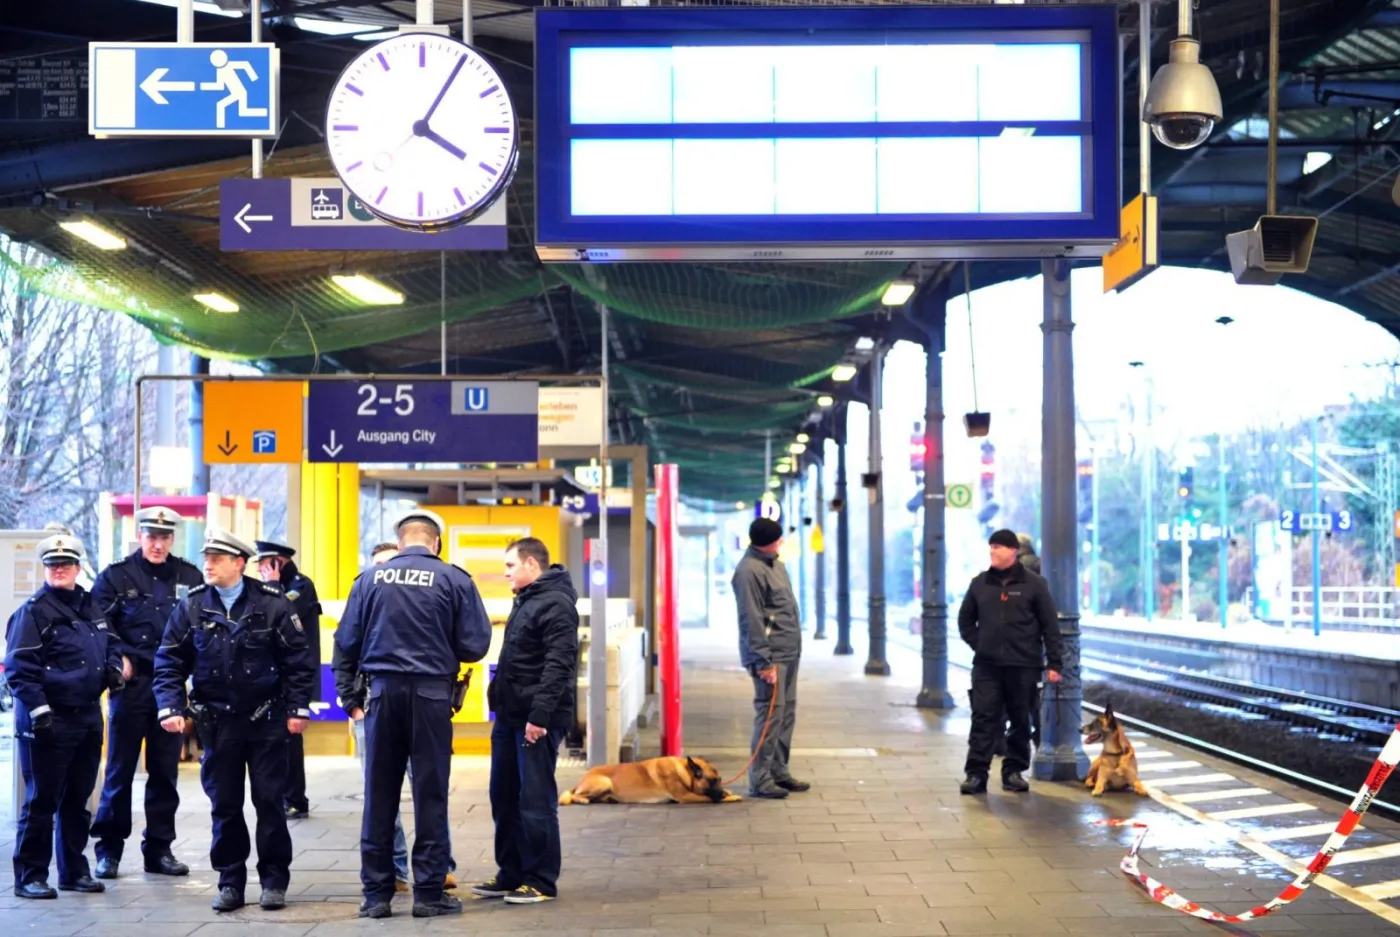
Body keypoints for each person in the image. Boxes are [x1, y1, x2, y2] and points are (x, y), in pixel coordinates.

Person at [334, 509, 491, 920]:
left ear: (400, 543)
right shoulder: (455, 579)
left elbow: (346, 641)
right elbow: (474, 646)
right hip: (431, 696)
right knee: (430, 793)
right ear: (435, 543)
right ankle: (428, 893)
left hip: (381, 695)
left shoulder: (369, 580)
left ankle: (377, 895)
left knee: (379, 794)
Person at [154, 528, 315, 913]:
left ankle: (274, 881)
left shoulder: (272, 604)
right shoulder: (192, 606)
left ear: (239, 563)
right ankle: (230, 882)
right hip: (218, 723)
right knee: (224, 805)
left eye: (217, 559)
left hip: (266, 721)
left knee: (269, 802)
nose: (207, 564)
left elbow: (297, 662)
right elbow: (169, 661)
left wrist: (297, 709)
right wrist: (170, 706)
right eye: (206, 558)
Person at [334, 542, 459, 894]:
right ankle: (397, 873)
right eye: (379, 566)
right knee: (393, 796)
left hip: (390, 701)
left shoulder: (398, 593)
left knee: (419, 793)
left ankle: (428, 872)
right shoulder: (369, 590)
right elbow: (343, 651)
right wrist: (352, 702)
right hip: (377, 704)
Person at [6, 533, 124, 899]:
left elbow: (112, 644)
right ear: (45, 569)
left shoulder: (91, 606)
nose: (60, 569)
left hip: (88, 717)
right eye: (53, 565)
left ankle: (73, 871)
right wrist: (39, 709)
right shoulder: (33, 612)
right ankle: (30, 876)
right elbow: (18, 668)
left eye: (66, 564)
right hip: (48, 721)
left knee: (78, 799)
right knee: (41, 801)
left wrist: (114, 668)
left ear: (77, 568)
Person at [90, 506, 203, 879]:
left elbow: (202, 627)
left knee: (165, 773)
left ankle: (159, 849)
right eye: (151, 537)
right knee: (119, 772)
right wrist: (116, 655)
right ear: (140, 536)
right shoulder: (116, 576)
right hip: (132, 685)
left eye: (164, 537)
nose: (157, 544)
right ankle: (108, 850)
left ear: (173, 539)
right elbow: (96, 625)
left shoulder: (188, 575)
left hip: (170, 687)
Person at [473, 537, 577, 905]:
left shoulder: (556, 603)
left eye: (510, 566)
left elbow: (559, 663)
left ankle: (541, 879)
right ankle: (511, 872)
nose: (505, 573)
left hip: (536, 718)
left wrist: (540, 715)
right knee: (503, 795)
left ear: (532, 564)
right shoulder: (528, 599)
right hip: (511, 715)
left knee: (534, 799)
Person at [957, 528, 1064, 795]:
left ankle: (1013, 772)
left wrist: (1054, 663)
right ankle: (976, 774)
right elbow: (965, 621)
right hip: (987, 667)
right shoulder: (980, 584)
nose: (993, 551)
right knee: (983, 719)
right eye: (991, 546)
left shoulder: (1034, 585)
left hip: (1023, 666)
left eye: (998, 547)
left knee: (1020, 720)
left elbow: (1050, 626)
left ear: (1013, 551)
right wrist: (980, 644)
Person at [731, 517, 808, 800]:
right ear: (769, 542)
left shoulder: (775, 563)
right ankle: (760, 780)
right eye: (778, 539)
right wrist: (762, 662)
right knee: (769, 717)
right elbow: (750, 619)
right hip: (771, 657)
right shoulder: (749, 571)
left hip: (789, 652)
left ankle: (778, 771)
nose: (781, 543)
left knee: (786, 715)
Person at [255, 540, 323, 820]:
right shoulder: (273, 587)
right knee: (276, 739)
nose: (259, 569)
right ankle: (282, 796)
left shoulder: (299, 586)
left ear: (278, 562)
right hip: (272, 674)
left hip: (294, 676)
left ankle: (295, 798)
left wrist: (272, 583)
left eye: (264, 563)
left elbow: (281, 609)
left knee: (290, 739)